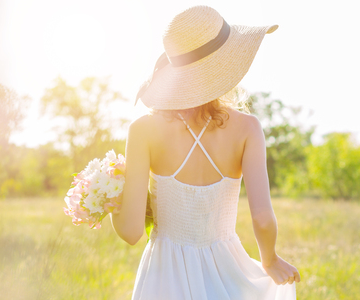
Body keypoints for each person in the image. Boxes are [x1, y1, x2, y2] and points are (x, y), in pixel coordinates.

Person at [110, 5, 300, 299]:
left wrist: (111, 199)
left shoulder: (143, 130)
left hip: (164, 276)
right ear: (225, 64)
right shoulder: (248, 128)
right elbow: (262, 217)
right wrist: (270, 259)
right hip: (227, 268)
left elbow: (132, 231)